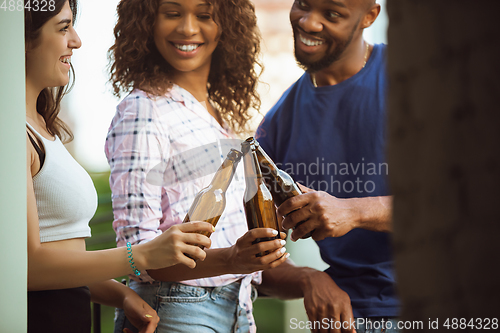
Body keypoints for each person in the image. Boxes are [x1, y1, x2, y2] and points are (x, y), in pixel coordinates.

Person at [25, 1, 214, 332]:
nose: (77, 40)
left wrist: (120, 293)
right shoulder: (12, 132)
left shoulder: (42, 127)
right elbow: (27, 269)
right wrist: (140, 255)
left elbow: (63, 261)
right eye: (63, 27)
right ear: (22, 39)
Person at [105, 0, 289, 332]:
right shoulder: (143, 110)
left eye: (204, 15)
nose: (188, 28)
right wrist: (233, 258)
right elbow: (139, 253)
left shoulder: (216, 116)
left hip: (238, 307)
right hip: (174, 310)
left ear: (227, 27)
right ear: (147, 22)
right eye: (172, 13)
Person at [256, 0, 400, 332]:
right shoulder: (277, 125)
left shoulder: (409, 79)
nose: (309, 23)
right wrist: (308, 279)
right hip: (346, 321)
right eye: (303, 5)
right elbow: (254, 259)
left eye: (331, 14)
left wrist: (353, 211)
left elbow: (466, 206)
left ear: (369, 16)